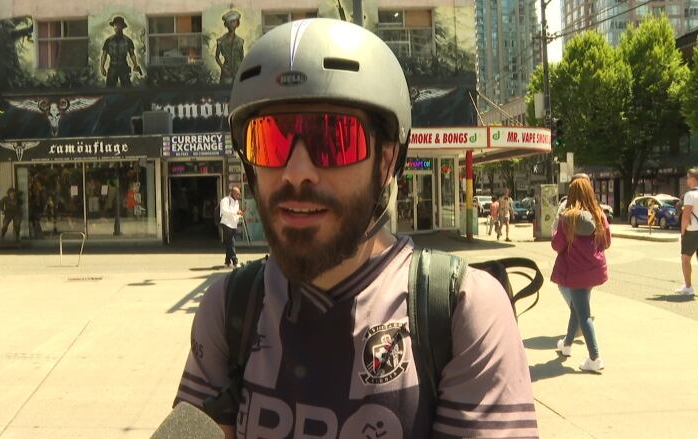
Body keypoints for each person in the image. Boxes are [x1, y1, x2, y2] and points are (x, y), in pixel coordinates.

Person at [173, 19, 537, 438]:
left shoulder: (462, 313)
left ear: (385, 162)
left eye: (334, 138)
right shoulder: (227, 310)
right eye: (270, 140)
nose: (297, 172)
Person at [551, 177, 610, 372]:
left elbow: (557, 245)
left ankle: (595, 357)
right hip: (594, 270)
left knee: (583, 313)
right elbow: (607, 242)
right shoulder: (599, 214)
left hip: (575, 272)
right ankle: (567, 345)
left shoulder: (566, 217)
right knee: (578, 306)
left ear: (572, 194)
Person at [100, 16, 142, 87]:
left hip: (123, 66)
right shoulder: (109, 41)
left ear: (122, 26)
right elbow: (104, 55)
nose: (116, 27)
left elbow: (132, 54)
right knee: (110, 88)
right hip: (112, 66)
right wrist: (102, 67)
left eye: (119, 25)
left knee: (127, 88)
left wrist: (135, 64)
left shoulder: (128, 41)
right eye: (115, 25)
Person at [676, 167, 698, 296]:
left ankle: (688, 287)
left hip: (692, 231)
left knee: (685, 259)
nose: (687, 180)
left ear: (694, 179)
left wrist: (682, 232)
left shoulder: (690, 195)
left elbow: (686, 216)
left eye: (688, 177)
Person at [215, 10, 244, 84]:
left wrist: (242, 70)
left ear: (237, 24)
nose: (232, 25)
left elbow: (242, 57)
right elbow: (217, 57)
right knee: (225, 91)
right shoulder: (221, 41)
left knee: (239, 91)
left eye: (234, 22)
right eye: (230, 22)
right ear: (226, 24)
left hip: (238, 70)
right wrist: (223, 68)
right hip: (227, 69)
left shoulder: (240, 41)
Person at [219, 186, 243, 268]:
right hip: (226, 224)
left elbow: (235, 214)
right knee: (231, 242)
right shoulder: (225, 200)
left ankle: (227, 262)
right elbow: (224, 211)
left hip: (233, 224)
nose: (238, 195)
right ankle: (235, 261)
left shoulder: (236, 202)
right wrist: (236, 212)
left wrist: (239, 215)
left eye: (239, 194)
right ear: (232, 193)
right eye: (237, 194)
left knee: (229, 243)